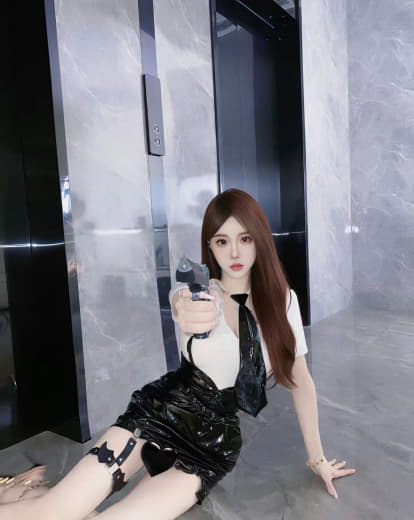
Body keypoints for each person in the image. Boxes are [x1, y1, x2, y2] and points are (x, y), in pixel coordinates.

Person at [0, 189, 356, 520]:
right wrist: (186, 308)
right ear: (210, 247)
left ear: (260, 240)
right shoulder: (197, 295)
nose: (234, 253)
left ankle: (33, 489)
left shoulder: (285, 302)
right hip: (158, 415)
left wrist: (318, 460)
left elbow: (301, 381)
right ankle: (33, 493)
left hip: (211, 447)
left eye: (245, 238)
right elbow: (183, 305)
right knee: (50, 514)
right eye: (222, 241)